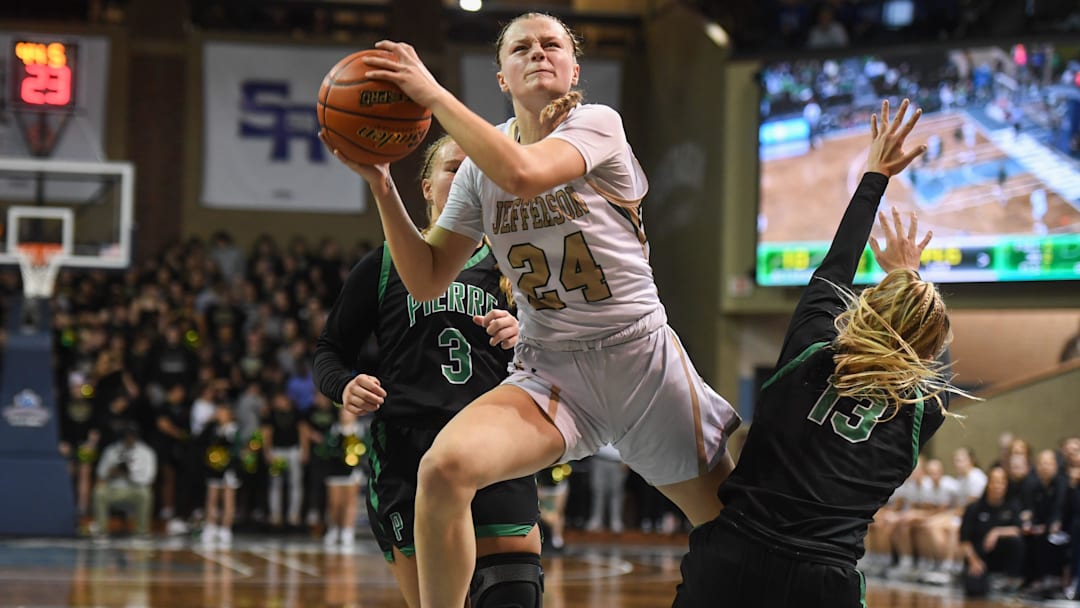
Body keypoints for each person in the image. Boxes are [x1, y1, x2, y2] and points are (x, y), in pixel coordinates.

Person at [324, 13, 741, 607]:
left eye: (553, 45)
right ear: (502, 76)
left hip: (638, 358)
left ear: (574, 69)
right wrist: (382, 183)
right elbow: (424, 278)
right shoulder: (473, 173)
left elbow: (522, 175)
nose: (538, 53)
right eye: (522, 47)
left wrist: (434, 95)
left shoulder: (597, 125)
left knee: (740, 531)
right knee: (442, 470)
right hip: (551, 371)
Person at [674, 99, 970, 607]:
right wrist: (912, 280)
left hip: (733, 558)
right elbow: (931, 357)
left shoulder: (811, 348)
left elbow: (837, 265)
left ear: (870, 303)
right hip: (822, 581)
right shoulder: (925, 411)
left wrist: (876, 175)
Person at [313, 135, 542, 608]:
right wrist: (345, 385)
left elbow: (562, 356)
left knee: (514, 590)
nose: (465, 179)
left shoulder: (514, 264)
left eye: (477, 171)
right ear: (427, 188)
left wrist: (525, 335)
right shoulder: (383, 264)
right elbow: (329, 350)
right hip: (408, 451)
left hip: (495, 441)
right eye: (453, 169)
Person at [959, 466, 1025, 597]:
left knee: (1016, 541)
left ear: (1006, 485)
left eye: (1001, 482)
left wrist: (997, 532)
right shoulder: (974, 508)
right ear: (988, 483)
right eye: (995, 481)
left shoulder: (1013, 505)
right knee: (974, 590)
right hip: (979, 559)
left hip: (1002, 559)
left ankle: (1011, 580)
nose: (998, 486)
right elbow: (964, 540)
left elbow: (1019, 530)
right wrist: (973, 561)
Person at [92, 421, 157, 538]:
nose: (129, 438)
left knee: (145, 493)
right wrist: (111, 473)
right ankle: (102, 531)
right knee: (99, 492)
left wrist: (130, 474)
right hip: (114, 489)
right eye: (126, 435)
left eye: (132, 435)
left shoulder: (146, 452)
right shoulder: (111, 450)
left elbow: (148, 478)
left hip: (134, 489)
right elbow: (100, 473)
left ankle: (141, 532)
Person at [199, 402, 242, 547]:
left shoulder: (234, 430)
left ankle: (225, 528)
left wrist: (226, 457)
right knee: (212, 497)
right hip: (214, 468)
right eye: (219, 412)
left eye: (223, 412)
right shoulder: (213, 428)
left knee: (228, 498)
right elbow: (203, 442)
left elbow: (237, 448)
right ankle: (210, 526)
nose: (220, 415)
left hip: (229, 468)